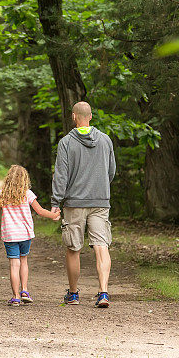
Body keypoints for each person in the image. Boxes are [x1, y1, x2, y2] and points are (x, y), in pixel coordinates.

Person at [51, 102, 116, 308]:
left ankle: (73, 294)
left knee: (73, 247)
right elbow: (111, 171)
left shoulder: (66, 143)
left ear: (73, 117)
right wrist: (101, 189)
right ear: (90, 117)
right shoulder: (105, 140)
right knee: (101, 246)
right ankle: (103, 292)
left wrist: (56, 201)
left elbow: (61, 176)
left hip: (74, 202)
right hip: (100, 201)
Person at [0, 165, 60, 306]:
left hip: (10, 235)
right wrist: (53, 215)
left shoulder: (2, 194)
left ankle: (15, 296)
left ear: (8, 178)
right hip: (25, 233)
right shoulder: (27, 193)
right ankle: (25, 290)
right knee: (24, 261)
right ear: (24, 179)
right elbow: (40, 210)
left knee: (13, 264)